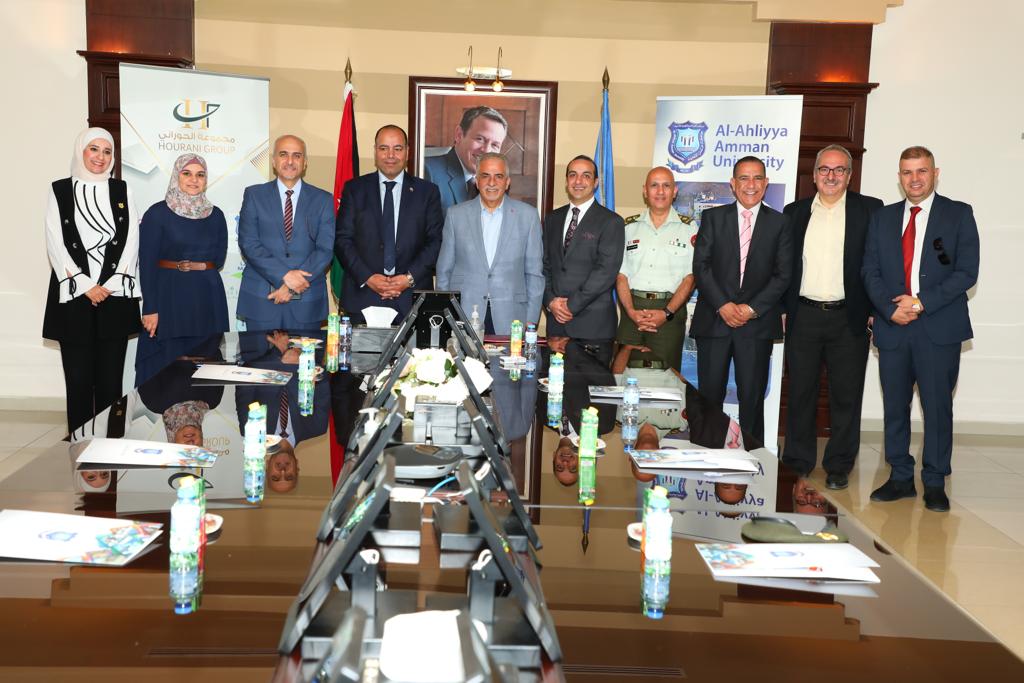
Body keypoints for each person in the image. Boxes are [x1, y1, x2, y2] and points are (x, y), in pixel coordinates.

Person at [862, 146, 979, 513]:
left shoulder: (958, 214)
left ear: (935, 173)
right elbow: (869, 270)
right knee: (895, 407)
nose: (914, 179)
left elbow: (966, 272)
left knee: (937, 407)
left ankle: (934, 480)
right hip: (893, 326)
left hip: (937, 327)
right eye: (907, 172)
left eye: (921, 171)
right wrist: (888, 309)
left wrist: (920, 302)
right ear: (899, 176)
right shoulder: (882, 218)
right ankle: (899, 476)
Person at [781, 145, 883, 490]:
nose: (831, 176)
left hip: (849, 318)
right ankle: (797, 461)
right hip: (804, 316)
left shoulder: (870, 210)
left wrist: (876, 310)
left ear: (850, 176)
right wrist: (783, 309)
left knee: (846, 396)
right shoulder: (794, 212)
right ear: (814, 175)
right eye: (824, 169)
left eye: (839, 170)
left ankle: (839, 464)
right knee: (800, 393)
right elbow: (784, 265)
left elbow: (879, 264)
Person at [43, 127, 142, 435]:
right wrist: (86, 285)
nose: (101, 157)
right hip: (74, 299)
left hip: (114, 297)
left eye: (107, 151)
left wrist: (109, 285)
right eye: (94, 149)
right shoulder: (60, 190)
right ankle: (79, 445)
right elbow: (55, 242)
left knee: (111, 383)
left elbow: (132, 241)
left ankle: (110, 445)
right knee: (78, 382)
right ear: (81, 151)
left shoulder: (122, 190)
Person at [690, 155, 792, 444]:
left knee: (752, 398)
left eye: (758, 178)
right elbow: (701, 266)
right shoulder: (713, 218)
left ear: (766, 183)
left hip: (756, 326)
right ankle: (707, 453)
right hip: (715, 321)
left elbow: (783, 274)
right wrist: (723, 305)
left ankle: (752, 457)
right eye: (744, 178)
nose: (751, 184)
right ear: (733, 184)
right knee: (709, 397)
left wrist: (751, 308)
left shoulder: (781, 223)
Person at [335, 125, 444, 324]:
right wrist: (368, 278)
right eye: (384, 148)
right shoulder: (354, 189)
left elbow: (435, 241)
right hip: (363, 297)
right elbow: (343, 240)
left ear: (407, 152)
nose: (390, 155)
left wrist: (408, 279)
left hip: (411, 298)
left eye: (397, 148)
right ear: (375, 151)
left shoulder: (427, 192)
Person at [135, 154, 229, 386]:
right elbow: (147, 264)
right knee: (168, 368)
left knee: (205, 364)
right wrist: (150, 308)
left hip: (208, 298)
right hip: (169, 299)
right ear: (176, 176)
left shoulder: (216, 215)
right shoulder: (157, 214)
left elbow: (218, 258)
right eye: (187, 173)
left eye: (200, 175)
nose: (194, 180)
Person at [435, 153, 543, 334]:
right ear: (477, 181)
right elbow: (444, 271)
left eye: (498, 176)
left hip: (513, 317)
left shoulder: (528, 216)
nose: (491, 183)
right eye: (485, 176)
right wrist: (446, 315)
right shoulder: (455, 215)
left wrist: (531, 321)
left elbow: (534, 275)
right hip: (464, 314)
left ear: (507, 182)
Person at [236, 134, 335, 332]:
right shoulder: (254, 195)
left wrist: (291, 286)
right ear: (274, 161)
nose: (290, 161)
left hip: (307, 302)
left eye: (297, 155)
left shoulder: (323, 199)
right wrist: (284, 276)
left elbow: (325, 249)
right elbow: (249, 243)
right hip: (261, 300)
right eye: (283, 154)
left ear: (305, 163)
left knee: (306, 354)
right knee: (259, 354)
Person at [616, 166, 698, 372]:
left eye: (666, 186)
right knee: (621, 376)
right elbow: (621, 275)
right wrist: (631, 312)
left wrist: (666, 313)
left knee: (667, 377)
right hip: (632, 310)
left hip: (669, 313)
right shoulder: (628, 227)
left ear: (674, 191)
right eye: (654, 185)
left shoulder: (689, 229)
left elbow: (691, 278)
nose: (660, 191)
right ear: (645, 190)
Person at [542, 155, 625, 358]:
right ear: (566, 181)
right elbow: (544, 265)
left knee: (591, 380)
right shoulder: (552, 219)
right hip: (556, 325)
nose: (578, 181)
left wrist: (570, 306)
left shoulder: (611, 222)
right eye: (573, 175)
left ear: (595, 182)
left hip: (593, 328)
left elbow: (605, 272)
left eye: (586, 176)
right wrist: (550, 301)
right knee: (553, 378)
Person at [424, 106, 508, 211]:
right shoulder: (428, 171)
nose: (486, 151)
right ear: (459, 135)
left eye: (495, 145)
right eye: (480, 139)